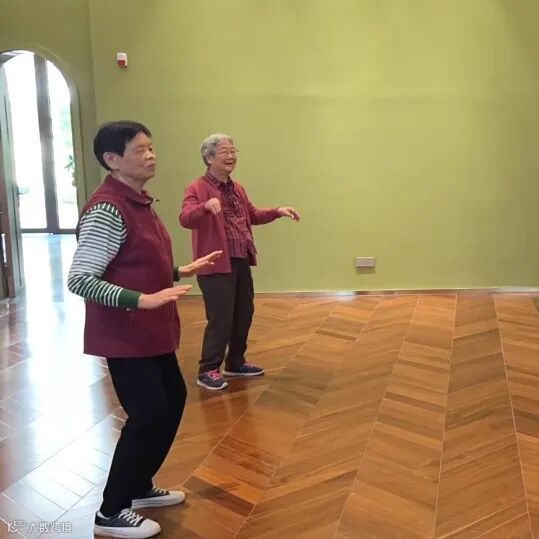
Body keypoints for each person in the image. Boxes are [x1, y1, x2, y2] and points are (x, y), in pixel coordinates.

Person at [68, 121, 221, 538]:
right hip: (126, 334)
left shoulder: (138, 201)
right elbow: (80, 278)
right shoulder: (107, 209)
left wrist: (178, 270)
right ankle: (111, 510)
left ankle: (138, 486)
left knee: (171, 401)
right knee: (149, 413)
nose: (151, 156)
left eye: (151, 148)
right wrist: (140, 300)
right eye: (139, 150)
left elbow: (133, 262)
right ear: (112, 160)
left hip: (150, 330)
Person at [179, 133, 300, 391]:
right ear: (209, 157)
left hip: (241, 259)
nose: (231, 156)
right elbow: (185, 218)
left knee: (244, 313)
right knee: (221, 317)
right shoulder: (197, 188)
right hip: (215, 264)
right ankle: (207, 369)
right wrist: (205, 207)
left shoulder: (237, 188)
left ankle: (235, 361)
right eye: (225, 152)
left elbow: (252, 215)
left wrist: (277, 211)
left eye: (234, 151)